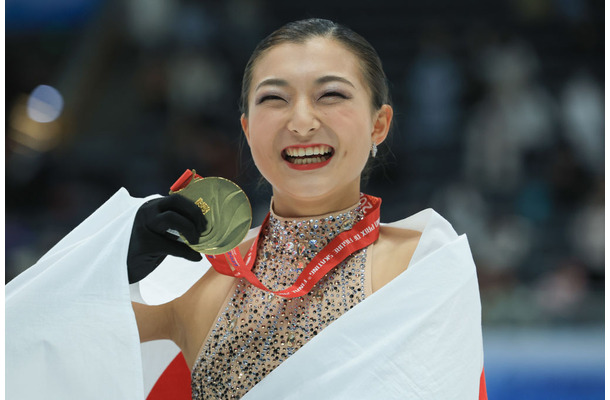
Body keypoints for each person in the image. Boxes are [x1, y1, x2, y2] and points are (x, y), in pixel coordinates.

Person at [6, 18, 486, 400]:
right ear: (248, 127)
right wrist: (109, 265)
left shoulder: (425, 266)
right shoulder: (197, 279)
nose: (301, 121)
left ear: (379, 123)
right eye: (274, 99)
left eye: (332, 95)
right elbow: (27, 352)